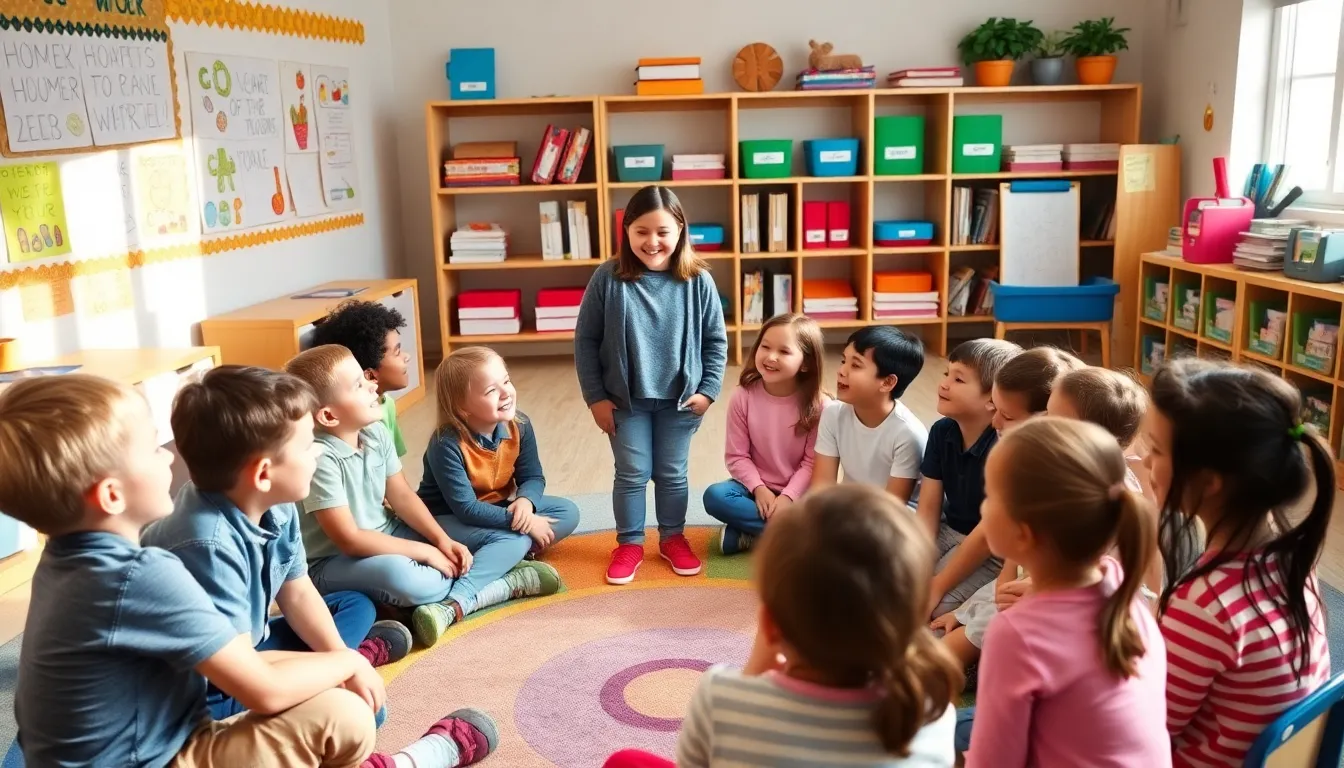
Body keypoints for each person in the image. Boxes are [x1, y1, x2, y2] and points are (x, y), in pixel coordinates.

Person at [1, 374, 498, 768]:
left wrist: (343, 661)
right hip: (159, 753)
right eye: (154, 448)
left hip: (164, 729)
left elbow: (277, 620)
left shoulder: (65, 562)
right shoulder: (145, 573)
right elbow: (260, 686)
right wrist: (347, 664)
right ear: (111, 495)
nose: (168, 458)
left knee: (342, 684)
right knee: (341, 712)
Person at [604, 484, 960, 768]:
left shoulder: (723, 697)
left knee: (624, 762)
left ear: (771, 627)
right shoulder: (932, 709)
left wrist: (752, 674)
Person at [142, 366, 405, 720]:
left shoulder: (277, 503)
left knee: (355, 604)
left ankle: (334, 666)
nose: (318, 454)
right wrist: (343, 667)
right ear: (264, 474)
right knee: (356, 714)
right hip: (205, 686)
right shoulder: (208, 545)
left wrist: (343, 661)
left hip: (251, 645)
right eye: (308, 445)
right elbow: (235, 672)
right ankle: (332, 670)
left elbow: (296, 592)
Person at [1147, 359, 1332, 765]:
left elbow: (1142, 731)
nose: (1145, 463)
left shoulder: (1204, 604)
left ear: (1210, 482)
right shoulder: (1292, 561)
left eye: (1156, 450)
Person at [964, 417, 1170, 768]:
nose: (983, 507)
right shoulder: (1120, 583)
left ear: (1023, 534)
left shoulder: (1015, 635)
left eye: (991, 496)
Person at [574, 184, 728, 585]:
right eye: (641, 231)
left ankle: (673, 537)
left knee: (673, 473)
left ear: (680, 230)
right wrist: (596, 399)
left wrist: (708, 390)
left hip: (681, 401)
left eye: (662, 231)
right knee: (631, 472)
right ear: (626, 232)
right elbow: (586, 341)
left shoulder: (698, 281)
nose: (653, 241)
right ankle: (629, 543)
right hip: (625, 401)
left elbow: (716, 341)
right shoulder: (607, 278)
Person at [283, 345, 476, 634]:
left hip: (387, 534)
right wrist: (425, 551)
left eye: (366, 377)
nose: (373, 386)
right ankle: (474, 590)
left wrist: (441, 539)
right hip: (331, 562)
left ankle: (425, 600)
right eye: (358, 385)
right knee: (406, 578)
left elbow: (402, 497)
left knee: (476, 541)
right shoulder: (320, 458)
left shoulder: (376, 433)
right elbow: (349, 540)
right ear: (329, 416)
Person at [415, 346, 576, 645]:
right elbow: (465, 508)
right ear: (463, 408)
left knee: (568, 512)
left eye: (507, 381)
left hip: (500, 508)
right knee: (515, 537)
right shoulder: (445, 444)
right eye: (491, 390)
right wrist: (524, 523)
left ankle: (502, 559)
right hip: (445, 519)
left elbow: (532, 477)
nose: (506, 393)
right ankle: (455, 603)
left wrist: (525, 504)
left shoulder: (520, 426)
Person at [702, 313, 829, 556]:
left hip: (801, 495)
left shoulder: (821, 406)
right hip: (754, 491)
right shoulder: (743, 396)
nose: (771, 357)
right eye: (765, 346)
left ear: (806, 363)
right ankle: (798, 537)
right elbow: (737, 456)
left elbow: (812, 463)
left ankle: (752, 534)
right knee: (715, 496)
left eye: (784, 351)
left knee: (828, 511)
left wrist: (788, 498)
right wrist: (759, 488)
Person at [916, 338, 1020, 618]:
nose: (944, 384)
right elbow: (928, 511)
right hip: (948, 530)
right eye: (946, 374)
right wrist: (918, 565)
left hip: (990, 548)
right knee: (895, 581)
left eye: (959, 379)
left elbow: (988, 535)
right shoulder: (941, 431)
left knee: (933, 605)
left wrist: (937, 585)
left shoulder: (1003, 447)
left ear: (993, 399)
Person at [810, 325, 927, 505]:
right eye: (843, 361)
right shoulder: (833, 414)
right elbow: (821, 488)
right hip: (851, 508)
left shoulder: (907, 434)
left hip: (895, 517)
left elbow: (892, 507)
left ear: (887, 382)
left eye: (856, 365)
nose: (841, 371)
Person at [311, 299, 414, 457]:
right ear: (371, 375)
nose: (407, 357)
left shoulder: (387, 404)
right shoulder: (357, 422)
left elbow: (394, 468)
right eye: (397, 352)